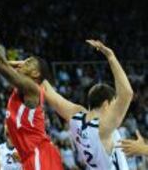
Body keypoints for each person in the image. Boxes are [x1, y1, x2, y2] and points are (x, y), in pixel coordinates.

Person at [0, 10, 63, 170]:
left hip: (39, 154)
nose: (23, 61)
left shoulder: (32, 88)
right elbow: (1, 60)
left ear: (36, 73)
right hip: (31, 157)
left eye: (29, 62)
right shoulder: (25, 87)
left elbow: (1, 65)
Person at [42, 40, 133, 169]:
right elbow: (127, 93)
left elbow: (52, 95)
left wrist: (35, 73)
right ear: (106, 104)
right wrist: (111, 57)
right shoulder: (105, 127)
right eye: (114, 103)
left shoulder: (76, 118)